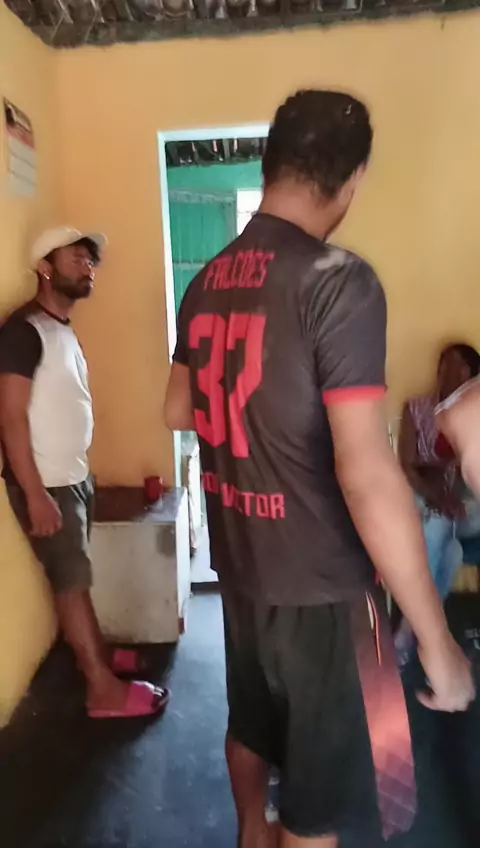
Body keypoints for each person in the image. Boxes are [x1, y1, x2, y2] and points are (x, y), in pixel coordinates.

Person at [164, 91, 474, 848]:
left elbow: (177, 408)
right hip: (328, 592)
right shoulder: (339, 279)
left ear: (268, 167)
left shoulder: (207, 280)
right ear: (352, 179)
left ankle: (250, 832)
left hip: (243, 570)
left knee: (252, 723)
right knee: (323, 802)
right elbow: (365, 474)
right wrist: (437, 643)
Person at [0, 227, 169, 719]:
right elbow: (10, 417)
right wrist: (35, 493)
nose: (88, 267)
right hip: (46, 483)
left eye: (90, 261)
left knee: (76, 576)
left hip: (71, 477)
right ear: (45, 268)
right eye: (76, 259)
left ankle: (97, 654)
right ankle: (101, 690)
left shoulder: (59, 328)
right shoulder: (23, 331)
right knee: (70, 581)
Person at [395, 345, 480, 662]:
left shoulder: (473, 415)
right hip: (421, 501)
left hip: (462, 507)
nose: (446, 373)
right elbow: (407, 465)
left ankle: (411, 627)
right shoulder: (417, 408)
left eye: (457, 368)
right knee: (448, 543)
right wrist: (439, 496)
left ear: (471, 378)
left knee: (450, 533)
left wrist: (453, 494)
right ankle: (423, 629)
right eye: (443, 365)